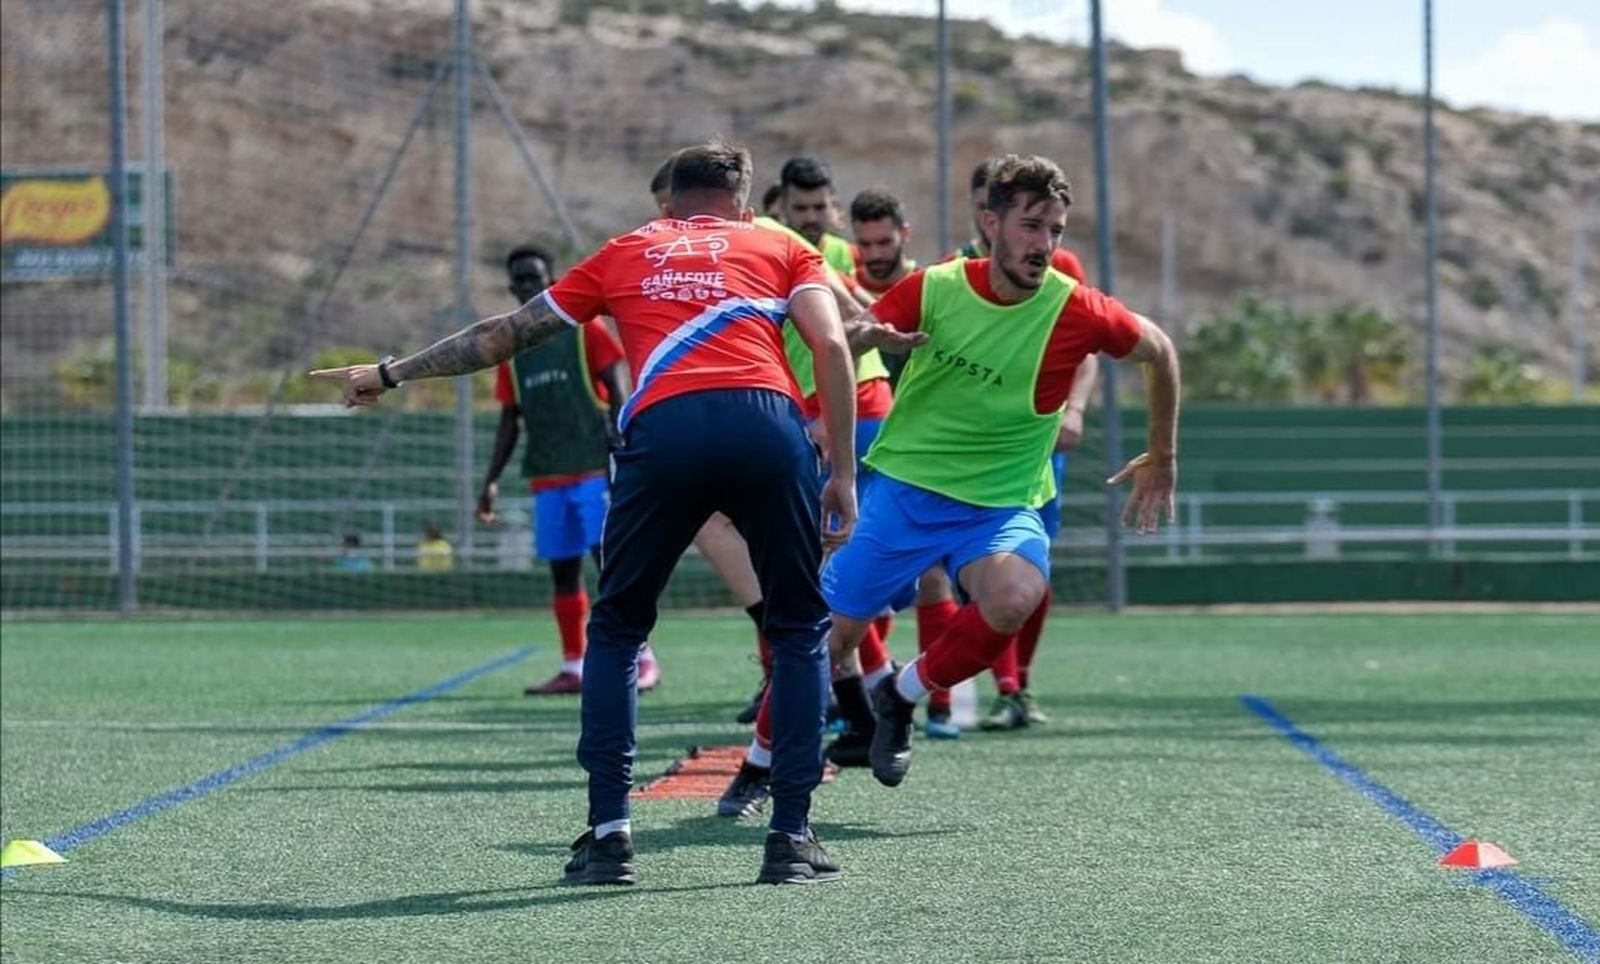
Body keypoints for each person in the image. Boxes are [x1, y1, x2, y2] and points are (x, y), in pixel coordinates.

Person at [313, 142, 920, 885]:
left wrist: (389, 372)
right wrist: (843, 477)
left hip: (663, 432)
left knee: (619, 628)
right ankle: (790, 839)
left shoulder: (628, 249)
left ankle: (608, 837)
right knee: (799, 631)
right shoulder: (778, 246)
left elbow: (506, 333)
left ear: (669, 203)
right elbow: (831, 340)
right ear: (742, 199)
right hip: (767, 425)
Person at [820, 154, 1181, 788]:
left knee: (1016, 596)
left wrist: (1163, 455)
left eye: (1056, 230)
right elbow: (846, 342)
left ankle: (902, 696)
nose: (1044, 244)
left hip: (999, 505)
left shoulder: (1078, 308)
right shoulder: (936, 285)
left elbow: (1160, 352)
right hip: (905, 492)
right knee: (826, 643)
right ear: (991, 223)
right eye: (1031, 226)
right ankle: (766, 765)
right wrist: (859, 342)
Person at [478, 244, 661, 695]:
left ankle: (642, 657)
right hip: (547, 477)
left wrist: (624, 445)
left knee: (611, 567)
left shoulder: (585, 330)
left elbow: (620, 387)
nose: (528, 286)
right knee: (562, 572)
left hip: (594, 472)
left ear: (552, 279)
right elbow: (508, 420)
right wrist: (491, 480)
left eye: (535, 278)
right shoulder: (514, 349)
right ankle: (575, 665)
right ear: (511, 287)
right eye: (520, 280)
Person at [780, 156, 857, 276]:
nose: (811, 218)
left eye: (819, 207)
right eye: (800, 209)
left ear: (832, 204)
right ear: (783, 206)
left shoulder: (841, 251)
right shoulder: (771, 249)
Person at [848, 188, 916, 296]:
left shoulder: (926, 287)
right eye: (865, 244)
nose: (875, 255)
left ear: (905, 233)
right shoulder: (843, 290)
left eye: (884, 243)